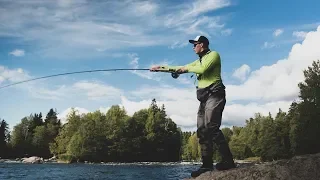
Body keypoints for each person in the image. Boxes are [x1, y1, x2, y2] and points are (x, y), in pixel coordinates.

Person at [150, 35, 236, 177]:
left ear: (202, 45)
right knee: (202, 131)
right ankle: (206, 165)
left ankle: (228, 161)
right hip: (204, 100)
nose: (193, 47)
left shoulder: (213, 55)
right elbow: (181, 67)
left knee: (212, 127)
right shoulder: (198, 60)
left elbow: (201, 70)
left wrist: (185, 69)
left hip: (215, 95)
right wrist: (160, 68)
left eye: (195, 44)